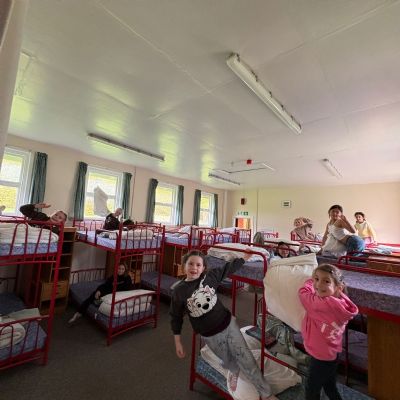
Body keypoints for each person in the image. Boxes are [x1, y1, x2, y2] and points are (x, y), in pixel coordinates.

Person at [170, 250, 278, 400]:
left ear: (203, 268)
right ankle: (234, 370)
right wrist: (177, 342)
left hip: (228, 325)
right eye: (191, 264)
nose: (194, 268)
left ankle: (266, 393)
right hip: (209, 335)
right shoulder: (179, 291)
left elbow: (228, 268)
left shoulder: (210, 278)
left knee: (245, 357)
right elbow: (175, 317)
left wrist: (244, 258)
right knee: (226, 359)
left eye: (198, 265)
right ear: (184, 266)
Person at [298, 264, 358, 400]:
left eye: (326, 281)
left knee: (311, 390)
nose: (319, 284)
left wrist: (310, 281)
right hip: (332, 353)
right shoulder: (342, 304)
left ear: (338, 287)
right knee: (329, 386)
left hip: (320, 357)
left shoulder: (319, 304)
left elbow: (302, 293)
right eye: (317, 279)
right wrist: (325, 284)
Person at [68, 262, 133, 323]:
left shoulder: (127, 278)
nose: (120, 270)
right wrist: (98, 291)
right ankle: (79, 313)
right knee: (93, 296)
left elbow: (128, 290)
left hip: (116, 295)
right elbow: (105, 285)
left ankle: (98, 301)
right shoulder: (114, 276)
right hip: (108, 291)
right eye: (119, 268)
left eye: (122, 269)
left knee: (101, 300)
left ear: (125, 270)